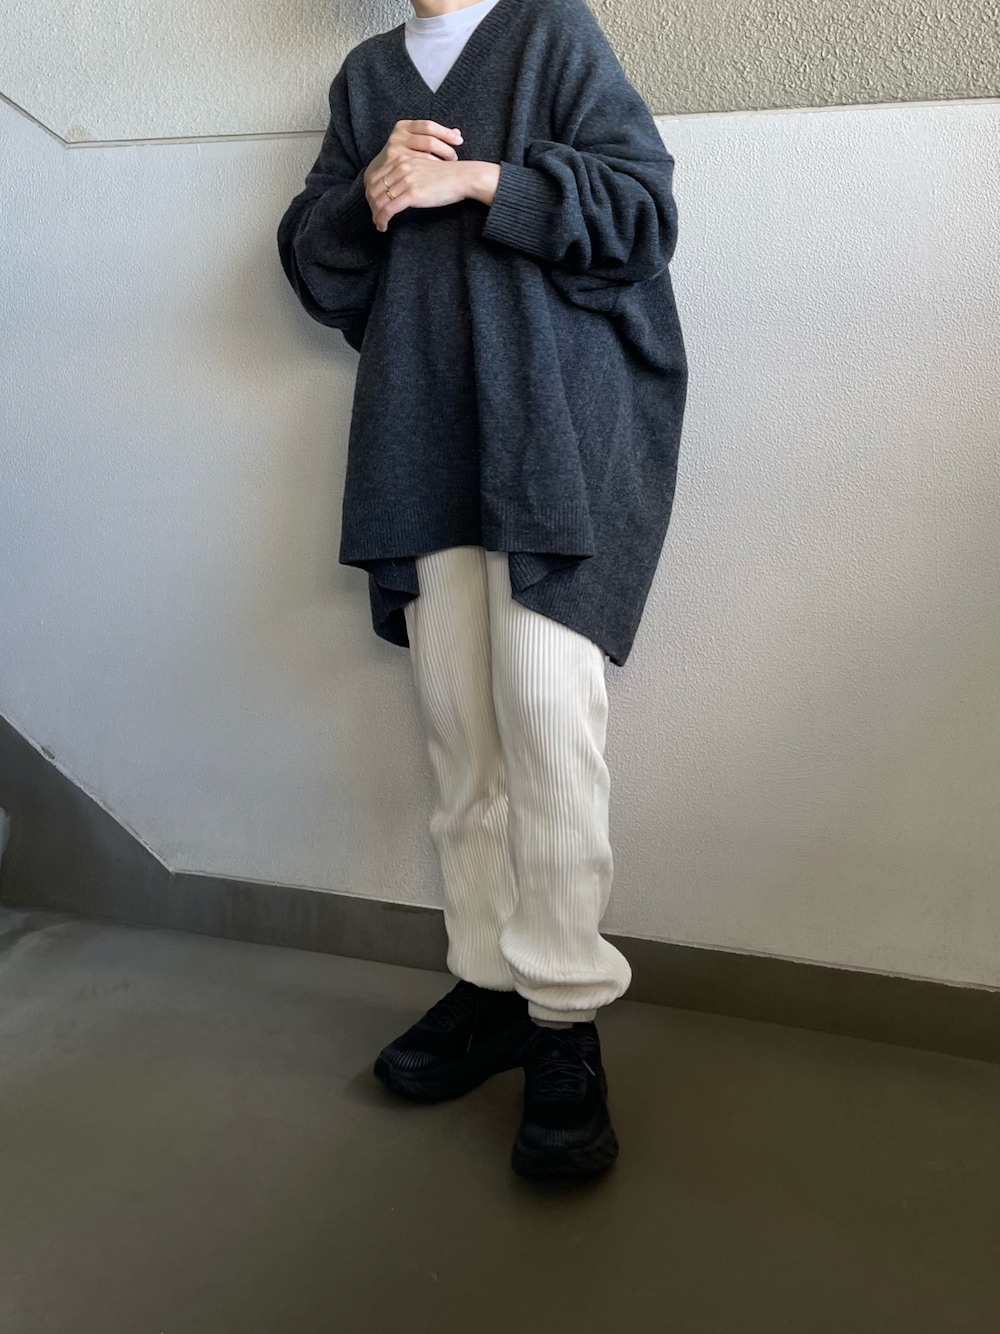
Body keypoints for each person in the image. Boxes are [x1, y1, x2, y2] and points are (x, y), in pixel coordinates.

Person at [277, 0, 687, 1180]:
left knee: (549, 721)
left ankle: (563, 1019)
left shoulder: (552, 31)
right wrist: (364, 194)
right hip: (423, 431)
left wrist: (480, 181)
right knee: (459, 732)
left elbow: (644, 212)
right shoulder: (365, 77)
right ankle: (488, 982)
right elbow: (320, 268)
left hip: (547, 430)